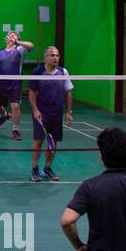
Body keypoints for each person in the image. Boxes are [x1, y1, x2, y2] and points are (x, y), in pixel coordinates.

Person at [28, 45, 73, 182]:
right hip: (41, 113)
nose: (55, 58)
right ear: (45, 58)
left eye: (57, 55)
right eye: (52, 55)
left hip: (57, 113)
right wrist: (35, 109)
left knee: (52, 142)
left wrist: (69, 111)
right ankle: (34, 170)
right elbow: (32, 92)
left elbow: (68, 92)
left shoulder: (63, 71)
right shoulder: (37, 72)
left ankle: (47, 168)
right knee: (38, 141)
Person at [0, 31, 33, 140]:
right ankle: (6, 115)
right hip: (1, 82)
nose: (12, 35)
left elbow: (30, 45)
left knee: (15, 106)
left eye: (15, 35)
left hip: (15, 83)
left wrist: (17, 41)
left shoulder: (20, 50)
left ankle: (15, 131)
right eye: (10, 34)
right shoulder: (0, 51)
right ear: (6, 38)